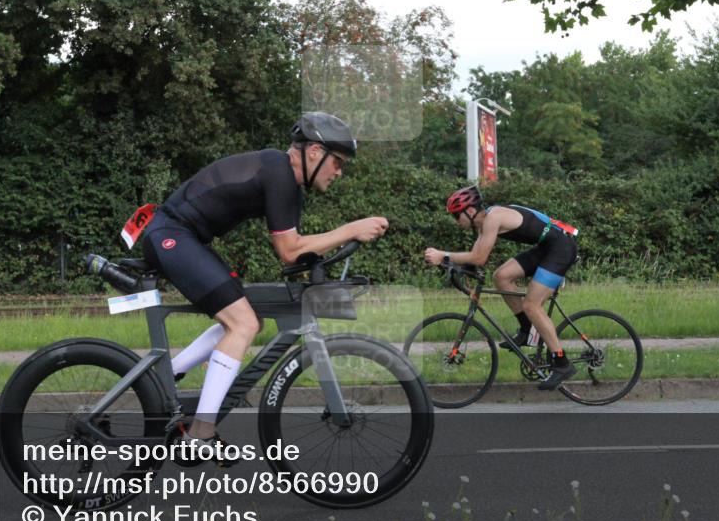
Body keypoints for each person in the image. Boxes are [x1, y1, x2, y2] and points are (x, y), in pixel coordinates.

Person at [136, 112, 388, 466]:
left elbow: (294, 253)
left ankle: (162, 381)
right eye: (338, 161)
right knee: (243, 324)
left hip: (182, 236)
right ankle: (200, 434)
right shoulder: (278, 171)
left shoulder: (286, 182)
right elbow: (290, 249)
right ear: (314, 151)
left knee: (242, 317)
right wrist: (351, 229)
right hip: (173, 235)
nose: (339, 171)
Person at [423, 186, 579, 390]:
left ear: (469, 212)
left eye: (456, 216)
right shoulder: (483, 223)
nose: (455, 221)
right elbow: (475, 260)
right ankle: (527, 330)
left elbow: (479, 257)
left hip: (561, 248)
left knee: (532, 305)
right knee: (501, 276)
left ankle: (561, 363)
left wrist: (443, 255)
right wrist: (455, 268)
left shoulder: (493, 218)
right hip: (547, 247)